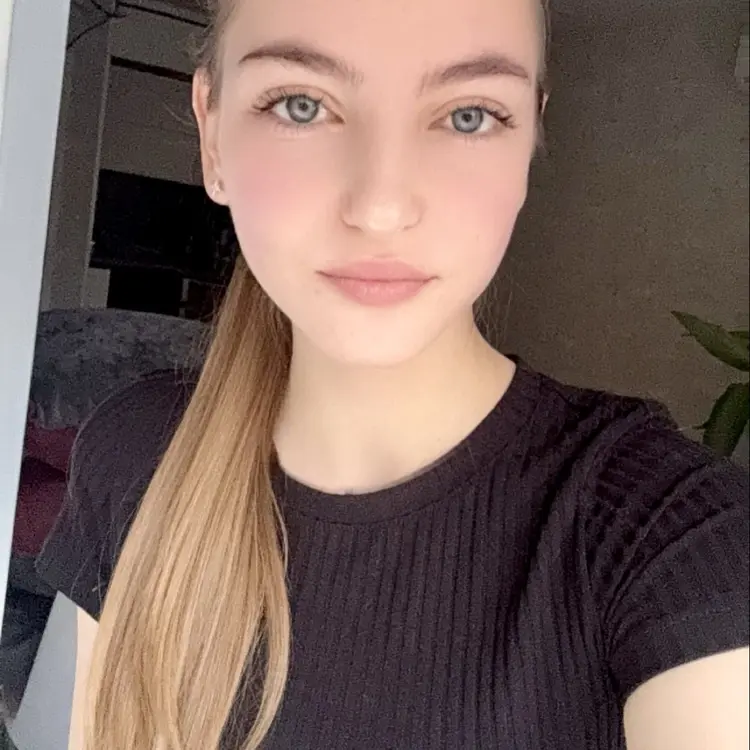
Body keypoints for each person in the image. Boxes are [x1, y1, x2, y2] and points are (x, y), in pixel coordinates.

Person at [35, 0, 749, 747]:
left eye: (469, 116)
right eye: (302, 105)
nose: (380, 208)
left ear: (528, 144)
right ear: (213, 134)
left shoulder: (675, 536)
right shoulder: (138, 453)